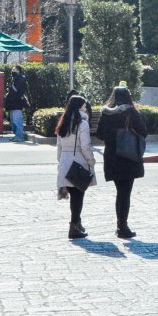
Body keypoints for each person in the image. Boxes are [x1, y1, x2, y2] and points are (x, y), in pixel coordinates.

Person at [95, 86, 147, 239]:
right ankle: (122, 227)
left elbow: (99, 134)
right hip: (129, 157)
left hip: (112, 157)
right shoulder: (131, 112)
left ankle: (121, 225)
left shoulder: (106, 113)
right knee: (125, 193)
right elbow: (144, 132)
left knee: (120, 192)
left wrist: (113, 135)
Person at [56, 95, 96, 239]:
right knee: (78, 197)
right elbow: (85, 146)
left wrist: (61, 162)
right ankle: (74, 227)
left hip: (65, 162)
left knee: (74, 196)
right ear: (79, 107)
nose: (86, 108)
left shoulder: (63, 121)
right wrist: (91, 161)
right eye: (84, 106)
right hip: (79, 162)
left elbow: (59, 147)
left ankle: (77, 224)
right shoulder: (82, 124)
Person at [5, 64, 30, 142]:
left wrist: (15, 98)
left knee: (17, 120)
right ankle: (17, 135)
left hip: (17, 103)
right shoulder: (14, 79)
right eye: (12, 69)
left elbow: (20, 92)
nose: (12, 70)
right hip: (12, 103)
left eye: (14, 69)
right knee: (13, 122)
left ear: (18, 70)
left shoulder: (21, 79)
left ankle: (19, 136)